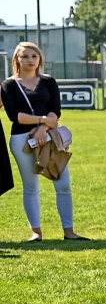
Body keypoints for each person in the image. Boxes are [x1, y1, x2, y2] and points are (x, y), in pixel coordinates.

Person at [3, 41, 86, 241]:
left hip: (49, 137)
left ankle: (69, 231)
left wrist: (43, 129)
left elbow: (55, 110)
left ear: (40, 58)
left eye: (34, 56)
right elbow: (15, 116)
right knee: (31, 187)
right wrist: (42, 120)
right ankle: (36, 233)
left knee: (63, 184)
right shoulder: (8, 85)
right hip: (21, 139)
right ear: (17, 59)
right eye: (25, 56)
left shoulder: (49, 81)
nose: (30, 60)